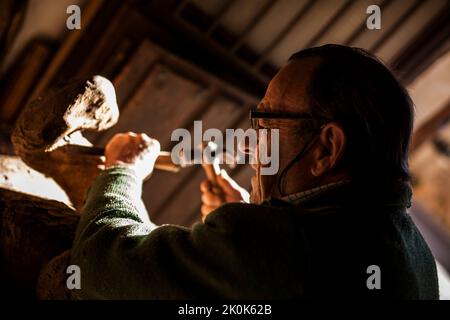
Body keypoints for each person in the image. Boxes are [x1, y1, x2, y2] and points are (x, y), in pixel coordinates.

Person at [71, 44, 439, 299]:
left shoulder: (288, 249)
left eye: (266, 120)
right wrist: (252, 224)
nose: (251, 143)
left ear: (326, 148)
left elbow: (99, 267)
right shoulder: (414, 251)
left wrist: (123, 171)